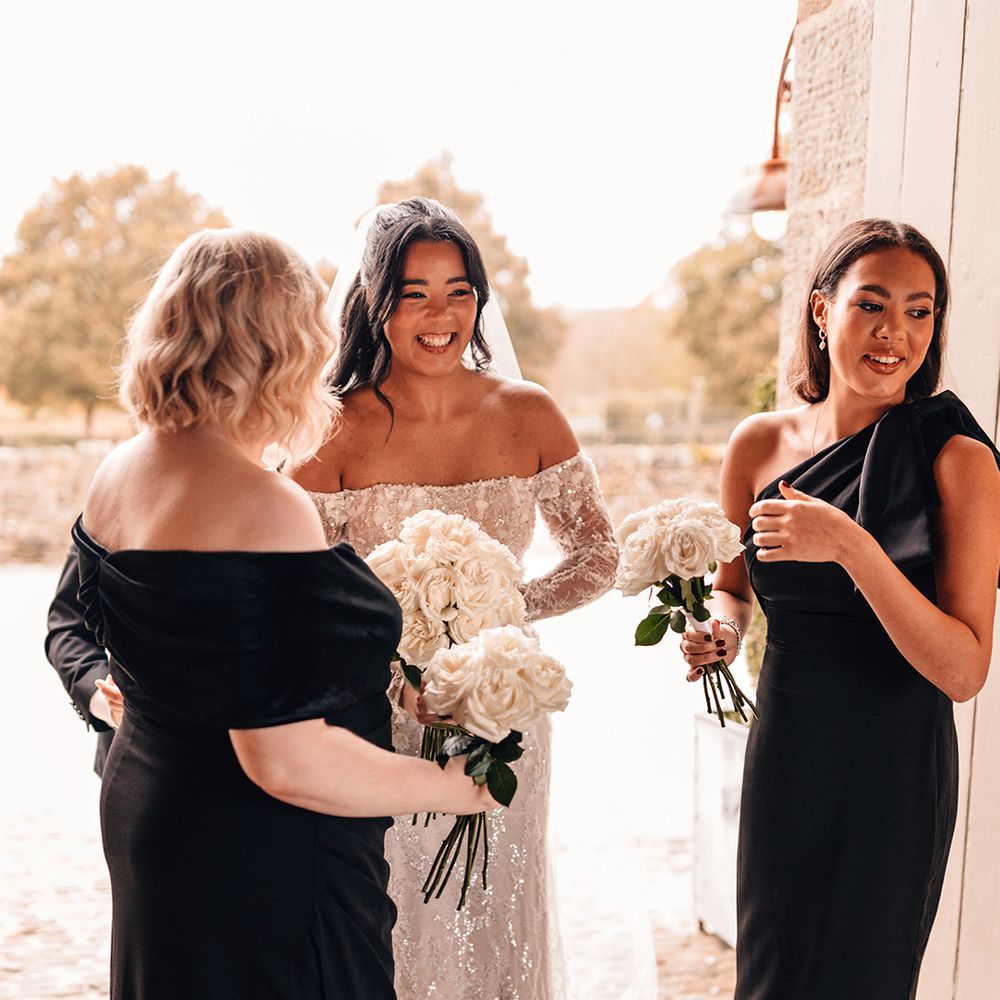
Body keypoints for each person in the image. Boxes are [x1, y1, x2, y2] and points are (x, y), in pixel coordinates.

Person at [70, 228, 492, 1000]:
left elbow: (220, 653)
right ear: (284, 348)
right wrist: (454, 786)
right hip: (256, 846)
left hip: (151, 812)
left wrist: (393, 687)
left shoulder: (120, 470)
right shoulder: (266, 506)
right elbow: (286, 760)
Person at [293, 198, 620, 1000]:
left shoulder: (528, 409)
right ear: (375, 302)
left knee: (500, 910)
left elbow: (598, 553)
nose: (440, 315)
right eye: (413, 293)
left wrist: (498, 621)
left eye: (458, 289)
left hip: (503, 705)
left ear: (480, 298)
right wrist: (393, 659)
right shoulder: (332, 429)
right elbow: (299, 588)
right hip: (379, 719)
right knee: (392, 917)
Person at [680, 218, 1000, 1000]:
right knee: (768, 979)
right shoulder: (758, 445)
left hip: (893, 769)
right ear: (822, 312)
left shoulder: (959, 460)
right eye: (873, 305)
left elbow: (963, 670)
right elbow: (736, 583)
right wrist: (719, 628)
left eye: (920, 312)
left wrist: (853, 547)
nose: (896, 333)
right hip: (787, 752)